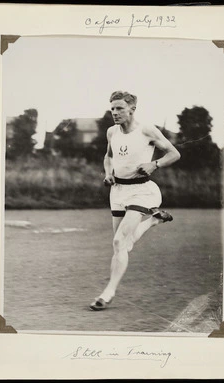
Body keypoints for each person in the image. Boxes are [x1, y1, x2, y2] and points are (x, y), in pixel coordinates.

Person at [89, 91, 181, 311]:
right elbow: (108, 156)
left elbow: (174, 153)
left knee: (119, 242)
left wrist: (154, 164)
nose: (114, 112)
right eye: (112, 108)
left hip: (142, 191)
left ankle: (108, 293)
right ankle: (153, 221)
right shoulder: (112, 132)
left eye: (119, 108)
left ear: (132, 109)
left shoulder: (146, 130)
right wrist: (108, 172)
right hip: (118, 191)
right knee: (124, 244)